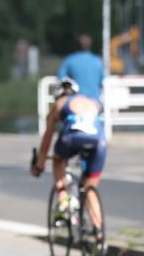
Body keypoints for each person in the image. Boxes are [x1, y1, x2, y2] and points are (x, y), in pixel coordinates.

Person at [31, 78, 106, 231]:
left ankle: (64, 201)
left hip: (72, 139)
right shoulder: (90, 101)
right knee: (89, 186)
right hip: (99, 141)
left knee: (58, 160)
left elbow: (47, 139)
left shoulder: (59, 104)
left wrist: (40, 164)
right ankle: (98, 234)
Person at [57, 34, 104, 100]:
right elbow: (102, 80)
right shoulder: (98, 61)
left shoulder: (69, 60)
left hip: (75, 100)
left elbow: (62, 79)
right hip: (94, 101)